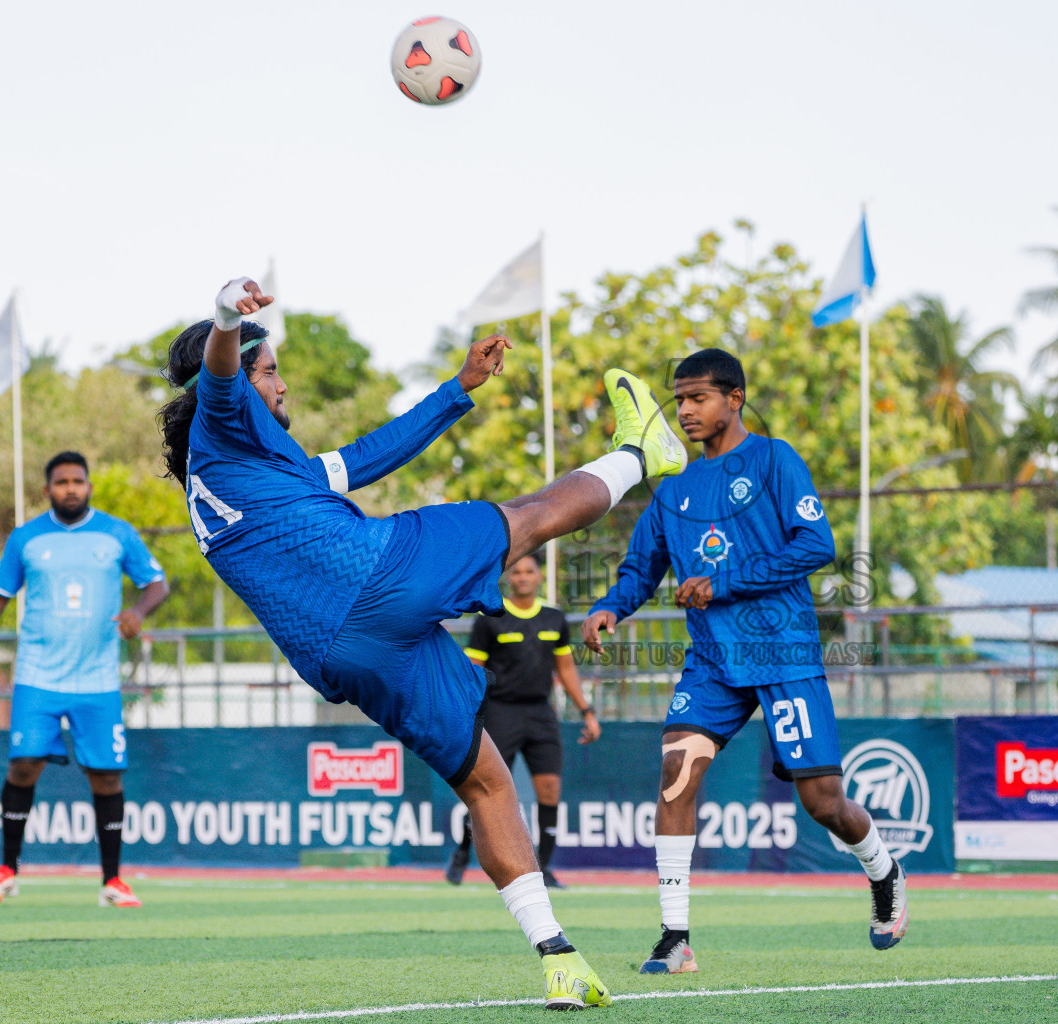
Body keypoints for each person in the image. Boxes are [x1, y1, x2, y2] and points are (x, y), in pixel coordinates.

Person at [156, 277, 686, 1010]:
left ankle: (558, 957)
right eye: (270, 368)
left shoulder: (260, 472)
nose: (281, 382)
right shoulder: (221, 424)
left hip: (346, 657)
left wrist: (457, 389)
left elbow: (371, 456)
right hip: (374, 576)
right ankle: (643, 451)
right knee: (526, 518)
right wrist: (225, 314)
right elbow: (219, 372)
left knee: (487, 782)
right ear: (243, 378)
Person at [581, 348, 908, 975]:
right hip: (710, 663)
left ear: (734, 398)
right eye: (677, 400)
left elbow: (817, 544)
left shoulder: (774, 459)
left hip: (781, 652)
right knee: (677, 771)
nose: (684, 411)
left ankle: (883, 869)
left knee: (823, 803)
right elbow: (640, 570)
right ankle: (674, 938)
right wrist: (608, 609)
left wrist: (723, 581)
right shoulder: (671, 485)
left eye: (697, 397)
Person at [0, 451, 169, 908]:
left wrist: (137, 611)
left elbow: (157, 584)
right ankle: (7, 870)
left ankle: (112, 881)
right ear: (48, 488)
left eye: (77, 480)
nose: (70, 488)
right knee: (23, 765)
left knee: (107, 776)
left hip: (97, 680)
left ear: (89, 485)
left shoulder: (117, 533)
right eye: (61, 482)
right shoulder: (27, 539)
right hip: (38, 677)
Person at [447, 550, 599, 888]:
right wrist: (466, 710)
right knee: (486, 790)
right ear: (508, 578)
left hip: (541, 714)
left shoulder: (553, 618)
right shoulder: (491, 617)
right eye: (516, 572)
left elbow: (565, 668)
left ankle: (543, 868)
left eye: (529, 571)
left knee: (550, 790)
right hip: (501, 712)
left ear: (539, 576)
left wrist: (587, 711)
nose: (523, 577)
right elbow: (472, 669)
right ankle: (462, 852)